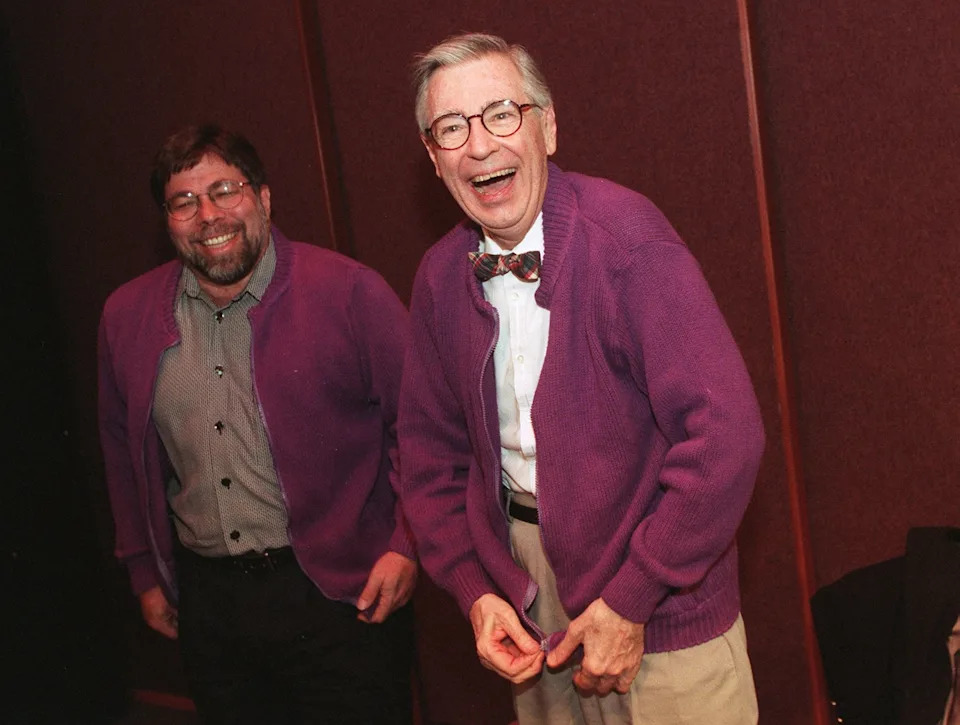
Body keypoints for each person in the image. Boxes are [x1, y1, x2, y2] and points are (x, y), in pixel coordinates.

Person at [398, 33, 765, 724]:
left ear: (548, 127)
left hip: (660, 592)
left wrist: (634, 596)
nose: (480, 145)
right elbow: (429, 461)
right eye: (452, 127)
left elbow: (728, 438)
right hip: (527, 604)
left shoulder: (628, 241)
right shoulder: (439, 278)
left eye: (501, 114)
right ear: (433, 156)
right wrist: (476, 590)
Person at [98, 124, 416, 724]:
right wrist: (143, 569)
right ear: (167, 221)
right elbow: (122, 452)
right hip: (210, 608)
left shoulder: (351, 292)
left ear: (264, 198)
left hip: (340, 594)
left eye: (225, 190)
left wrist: (407, 545)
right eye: (184, 201)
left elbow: (422, 430)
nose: (207, 215)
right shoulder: (125, 317)